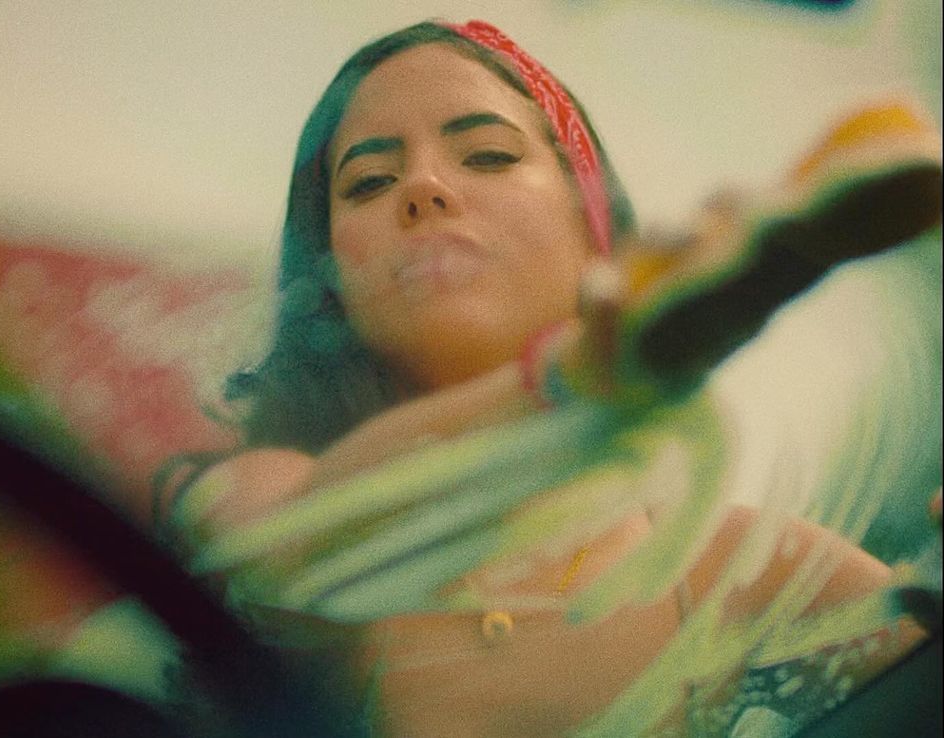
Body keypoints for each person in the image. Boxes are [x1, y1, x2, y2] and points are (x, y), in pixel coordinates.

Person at [158, 20, 940, 737]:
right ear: (327, 279)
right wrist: (588, 376)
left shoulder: (731, 572)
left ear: (595, 233)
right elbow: (296, 550)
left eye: (489, 155)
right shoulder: (249, 492)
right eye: (368, 182)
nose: (422, 187)